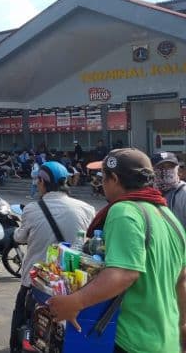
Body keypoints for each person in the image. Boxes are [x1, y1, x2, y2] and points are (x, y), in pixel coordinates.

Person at [48, 149, 186, 353]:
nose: (101, 184)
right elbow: (182, 280)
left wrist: (74, 301)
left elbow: (123, 273)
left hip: (130, 340)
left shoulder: (124, 211)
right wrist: (183, 327)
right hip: (166, 340)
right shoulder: (169, 217)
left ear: (114, 179)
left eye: (103, 178)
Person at [9, 161, 95, 353]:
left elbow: (19, 237)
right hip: (71, 284)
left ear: (42, 181)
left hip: (36, 282)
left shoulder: (32, 208)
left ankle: (16, 346)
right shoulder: (86, 208)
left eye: (37, 180)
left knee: (22, 318)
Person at [152, 151, 186, 229]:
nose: (166, 171)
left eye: (170, 167)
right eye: (160, 167)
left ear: (177, 169)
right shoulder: (147, 194)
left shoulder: (184, 193)